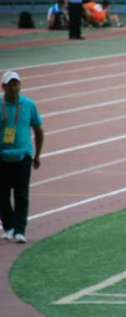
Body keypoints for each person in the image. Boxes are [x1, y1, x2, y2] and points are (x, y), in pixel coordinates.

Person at [1, 72, 43, 245]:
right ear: (3, 87)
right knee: (2, 195)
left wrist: (37, 154)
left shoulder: (29, 105)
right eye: (10, 84)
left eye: (16, 84)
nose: (14, 87)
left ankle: (20, 230)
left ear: (20, 85)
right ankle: (9, 226)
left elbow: (38, 129)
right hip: (2, 156)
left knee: (21, 195)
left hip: (23, 156)